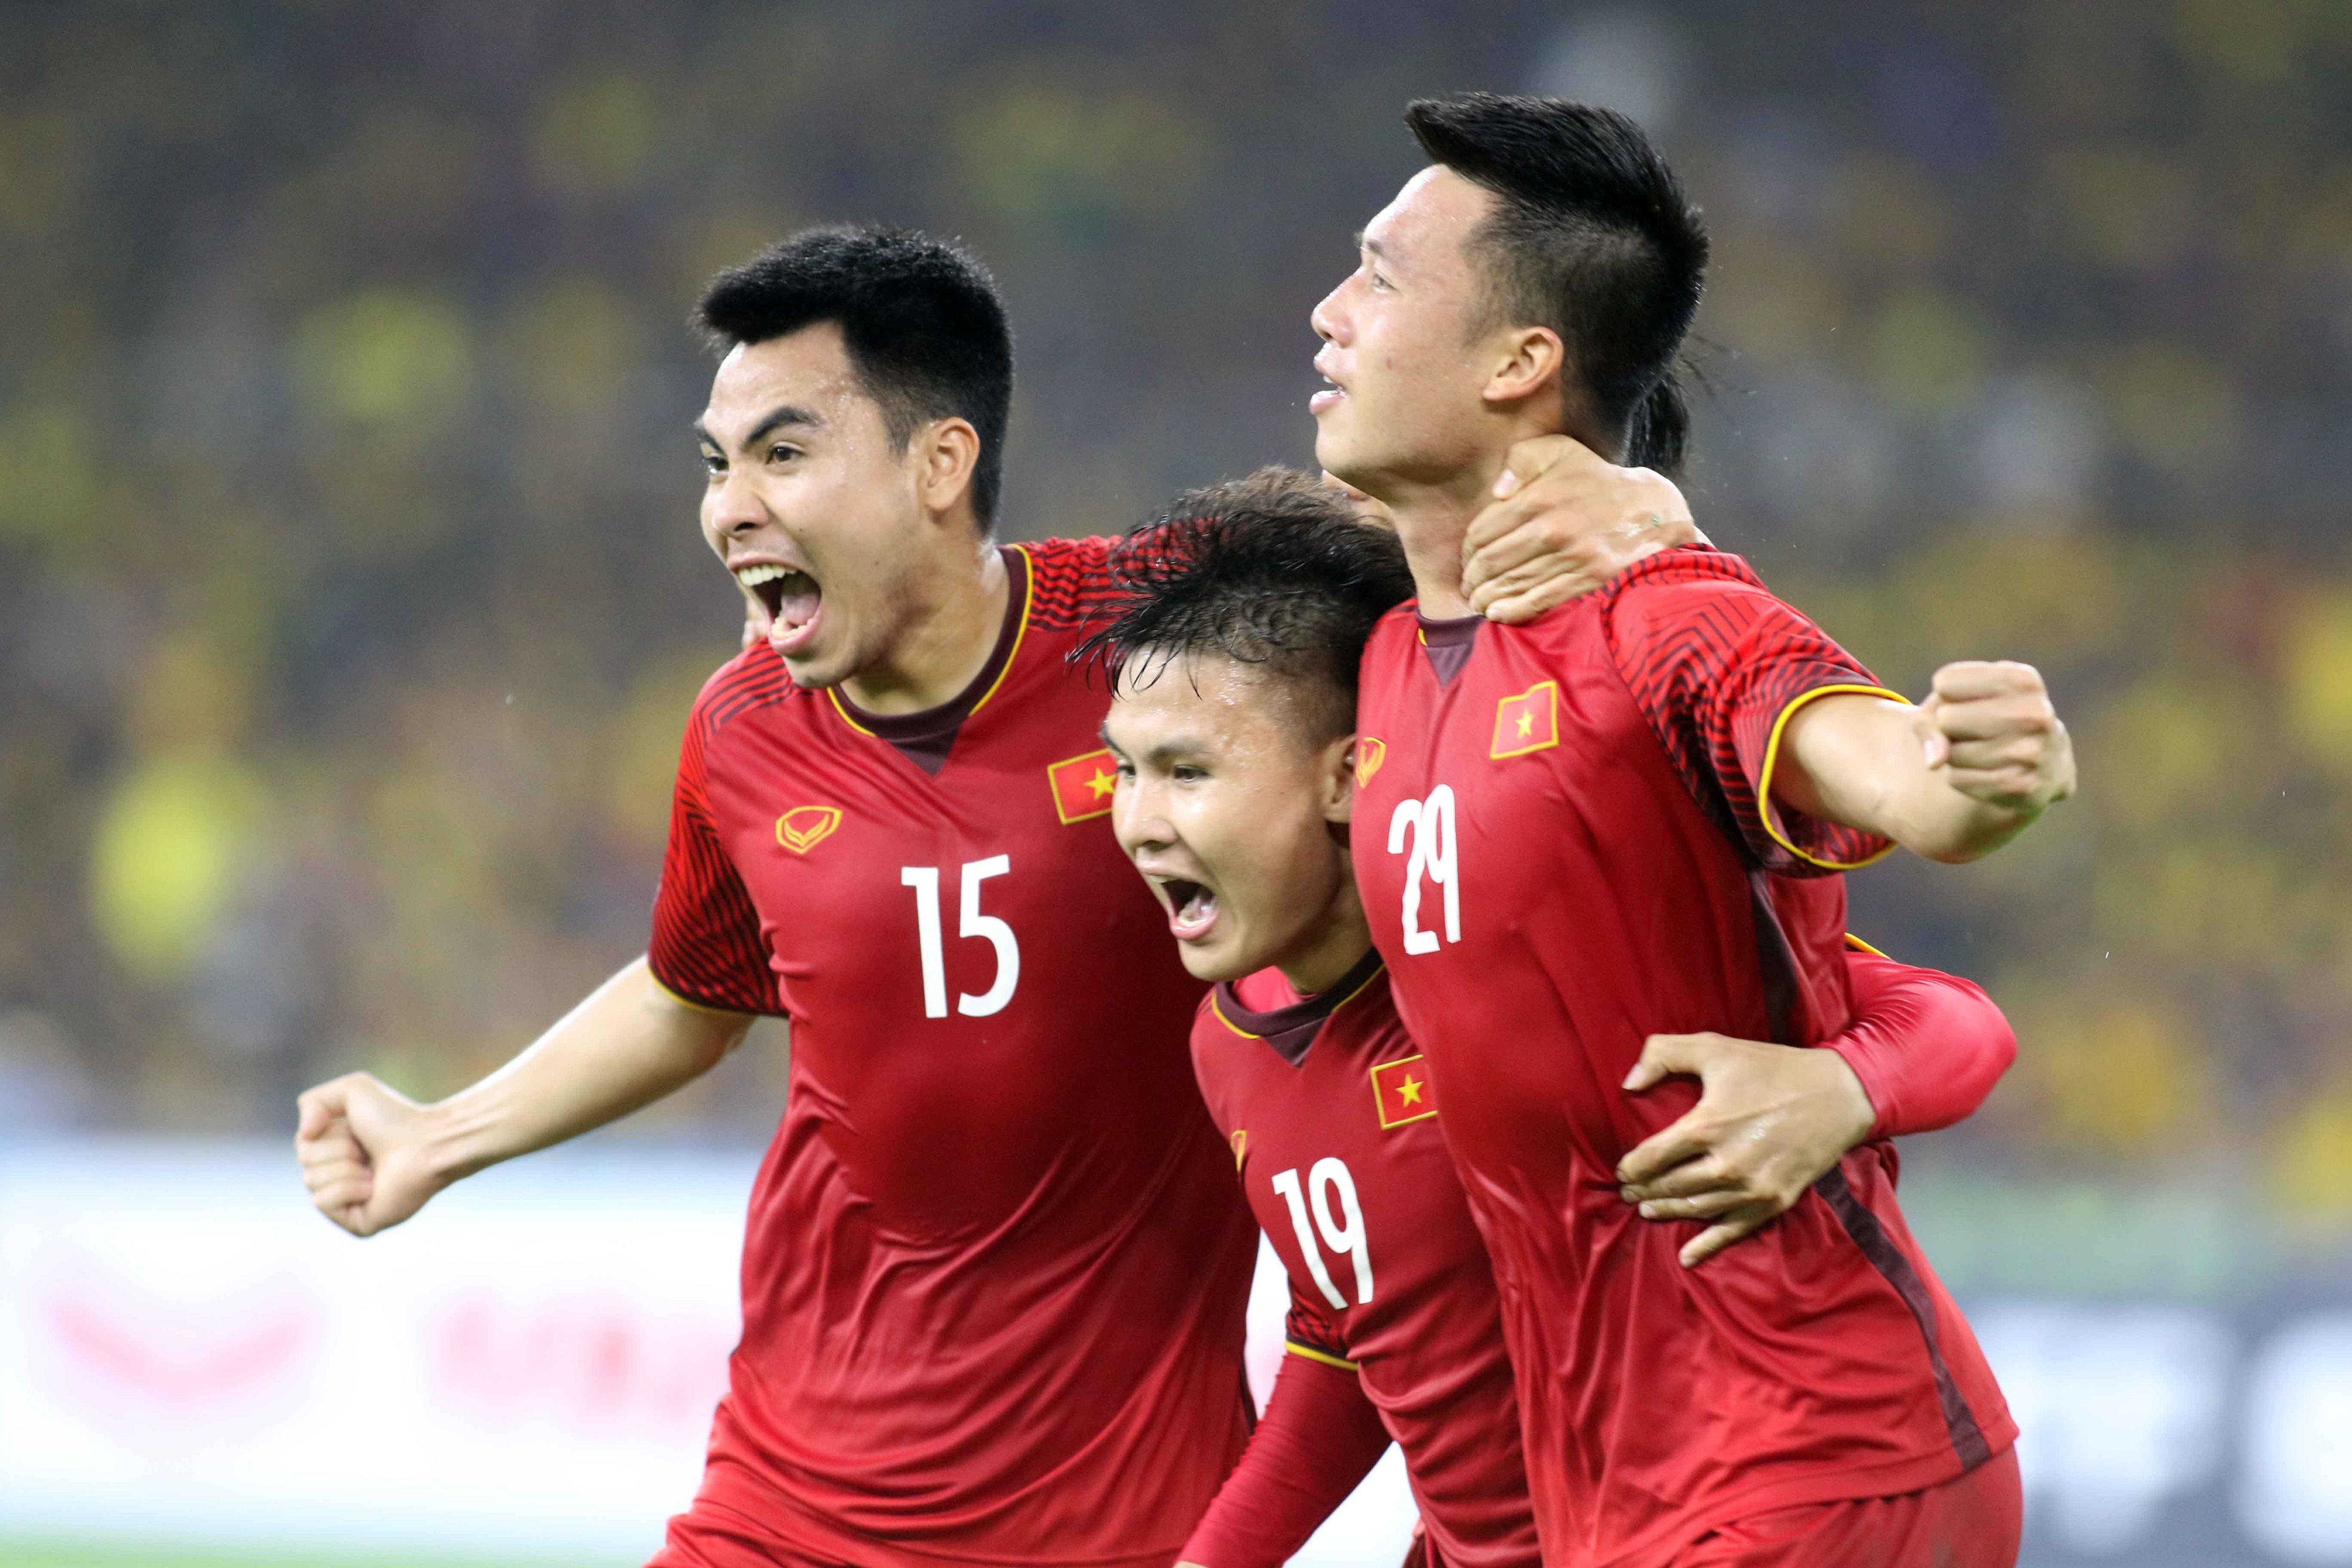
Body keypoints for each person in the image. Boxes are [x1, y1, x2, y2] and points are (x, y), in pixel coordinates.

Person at [290, 225, 1709, 1568]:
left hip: (1116, 1517)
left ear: (939, 462)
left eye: (786, 452)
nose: (732, 508)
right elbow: (697, 991)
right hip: (784, 1499)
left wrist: (1640, 511)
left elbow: (1427, 552)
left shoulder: (1168, 642)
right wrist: (444, 1133)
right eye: (718, 464)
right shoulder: (739, 732)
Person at [1317, 97, 2077, 1565]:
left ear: (1520, 360)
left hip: (1807, 1444)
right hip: (1601, 1477)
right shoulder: (1387, 653)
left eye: (1380, 274)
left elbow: (1908, 780)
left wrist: (1978, 772)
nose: (1329, 310)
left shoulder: (1667, 616)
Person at [1082, 473, 2028, 1568]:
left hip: (1713, 1513)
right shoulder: (1229, 1043)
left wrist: (1840, 1089)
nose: (1140, 822)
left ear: (1346, 777)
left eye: (1186, 773)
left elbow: (1954, 1017)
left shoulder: (1525, 957)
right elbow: (1354, 1335)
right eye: (1123, 771)